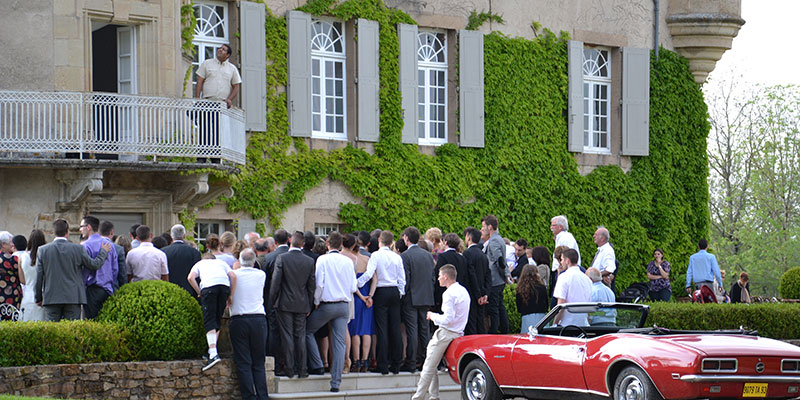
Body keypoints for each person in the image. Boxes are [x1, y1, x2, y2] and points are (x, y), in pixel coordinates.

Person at [305, 231, 357, 392]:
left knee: (307, 331)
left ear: (327, 243)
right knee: (339, 343)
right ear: (341, 244)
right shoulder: (348, 261)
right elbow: (353, 287)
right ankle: (336, 382)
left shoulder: (323, 259)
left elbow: (319, 284)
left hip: (326, 304)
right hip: (343, 304)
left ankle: (318, 364)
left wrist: (316, 302)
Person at [411, 264, 469, 400]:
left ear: (445, 276)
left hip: (446, 333)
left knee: (428, 366)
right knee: (431, 365)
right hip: (459, 332)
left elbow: (447, 319)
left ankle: (418, 397)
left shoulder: (449, 294)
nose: (437, 279)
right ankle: (433, 396)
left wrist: (432, 316)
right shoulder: (463, 291)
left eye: (439, 276)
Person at [35, 219, 111, 321]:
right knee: (71, 331)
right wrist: (103, 252)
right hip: (73, 296)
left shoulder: (43, 250)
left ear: (53, 232)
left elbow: (39, 276)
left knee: (51, 332)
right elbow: (94, 265)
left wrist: (38, 297)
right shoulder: (78, 249)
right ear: (68, 231)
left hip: (51, 297)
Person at [357, 230, 406, 375]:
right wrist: (400, 293)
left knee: (382, 329)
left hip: (381, 291)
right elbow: (402, 278)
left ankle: (383, 364)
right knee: (395, 327)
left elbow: (369, 273)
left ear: (379, 240)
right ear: (392, 243)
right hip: (394, 291)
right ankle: (396, 364)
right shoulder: (397, 257)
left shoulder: (376, 255)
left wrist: (357, 283)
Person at [269, 231, 315, 378]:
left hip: (284, 304)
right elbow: (311, 286)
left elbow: (275, 284)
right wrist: (309, 304)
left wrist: (272, 301)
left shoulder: (281, 258)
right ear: (302, 244)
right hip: (302, 303)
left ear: (290, 242)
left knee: (287, 336)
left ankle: (289, 369)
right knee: (300, 336)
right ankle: (302, 369)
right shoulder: (309, 261)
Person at [228, 248, 268, 400]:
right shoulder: (261, 275)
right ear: (254, 261)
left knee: (243, 361)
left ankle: (249, 396)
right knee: (258, 361)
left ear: (239, 260)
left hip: (239, 318)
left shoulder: (234, 275)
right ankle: (262, 395)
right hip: (258, 319)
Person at [187, 252, 235, 371]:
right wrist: (231, 295)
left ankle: (213, 353)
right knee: (217, 319)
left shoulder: (200, 263)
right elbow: (233, 276)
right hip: (224, 287)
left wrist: (199, 292)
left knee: (209, 319)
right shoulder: (221, 263)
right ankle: (212, 351)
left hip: (209, 288)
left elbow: (190, 278)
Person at [399, 226, 435, 373]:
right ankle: (427, 361)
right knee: (424, 331)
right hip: (426, 297)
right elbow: (432, 278)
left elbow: (405, 280)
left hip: (411, 298)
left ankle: (412, 362)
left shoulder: (405, 256)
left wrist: (403, 296)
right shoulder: (428, 255)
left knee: (412, 330)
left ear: (406, 238)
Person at [79, 215, 119, 319]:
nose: (80, 229)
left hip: (92, 289)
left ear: (89, 227)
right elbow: (115, 268)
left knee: (91, 323)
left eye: (81, 226)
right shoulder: (109, 244)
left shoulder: (86, 245)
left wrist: (83, 286)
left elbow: (85, 271)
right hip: (108, 289)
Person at [347, 233, 375, 373]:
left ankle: (356, 361)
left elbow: (353, 283)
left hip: (356, 297)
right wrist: (370, 295)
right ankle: (365, 361)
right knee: (366, 330)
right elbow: (374, 279)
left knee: (355, 331)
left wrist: (362, 296)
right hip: (368, 297)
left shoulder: (352, 260)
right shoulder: (368, 259)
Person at [482, 215, 509, 334]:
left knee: (494, 308)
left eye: (483, 226)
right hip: (499, 279)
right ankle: (504, 329)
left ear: (490, 227)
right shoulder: (499, 239)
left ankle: (495, 332)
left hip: (495, 280)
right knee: (500, 306)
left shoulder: (493, 241)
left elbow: (500, 261)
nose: (482, 228)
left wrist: (503, 275)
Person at [552, 249, 592, 326]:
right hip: (584, 324)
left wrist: (555, 323)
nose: (561, 262)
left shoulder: (563, 277)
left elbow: (561, 304)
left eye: (562, 259)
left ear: (567, 261)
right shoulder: (587, 279)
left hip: (566, 325)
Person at [161, 224, 202, 298]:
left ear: (171, 236)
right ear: (184, 236)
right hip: (189, 292)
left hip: (169, 290)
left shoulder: (163, 252)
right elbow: (198, 275)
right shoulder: (194, 252)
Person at [462, 227, 490, 335]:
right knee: (481, 322)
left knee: (472, 324)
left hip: (472, 294)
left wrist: (478, 296)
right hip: (482, 295)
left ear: (468, 238)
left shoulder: (467, 254)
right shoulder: (483, 255)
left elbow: (471, 275)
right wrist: (486, 294)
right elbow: (488, 275)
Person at [19, 229, 46, 321]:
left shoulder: (22, 257)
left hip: (28, 295)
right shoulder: (46, 256)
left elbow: (22, 280)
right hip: (43, 296)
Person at [515, 265, 548, 333]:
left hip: (527, 318)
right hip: (541, 318)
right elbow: (546, 305)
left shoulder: (520, 290)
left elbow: (519, 308)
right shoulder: (542, 288)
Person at [99, 221, 128, 292]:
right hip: (112, 288)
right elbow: (122, 273)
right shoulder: (118, 249)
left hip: (94, 288)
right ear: (112, 232)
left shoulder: (91, 246)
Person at [0, 231, 23, 319]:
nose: (12, 245)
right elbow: (21, 278)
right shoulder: (14, 260)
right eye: (10, 242)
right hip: (13, 295)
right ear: (3, 244)